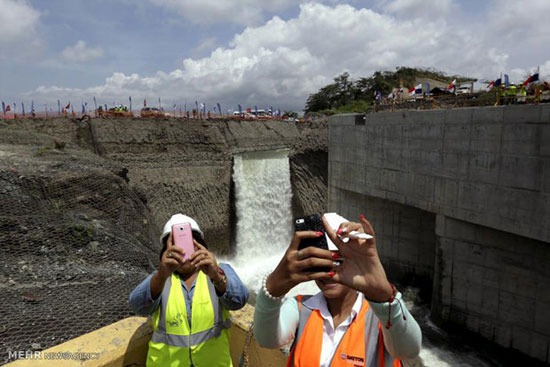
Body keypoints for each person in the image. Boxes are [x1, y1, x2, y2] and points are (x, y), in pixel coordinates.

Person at [254, 213, 421, 367]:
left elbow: (409, 350)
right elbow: (267, 339)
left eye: (338, 262)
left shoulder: (381, 319)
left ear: (356, 263)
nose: (329, 274)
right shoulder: (300, 307)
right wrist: (274, 286)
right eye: (319, 264)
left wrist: (384, 298)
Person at [129, 214, 249, 366]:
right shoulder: (159, 279)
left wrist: (216, 276)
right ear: (166, 250)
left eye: (187, 243)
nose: (182, 251)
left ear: (199, 244)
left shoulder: (219, 271)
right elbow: (137, 306)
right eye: (175, 244)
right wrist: (162, 274)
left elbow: (239, 300)